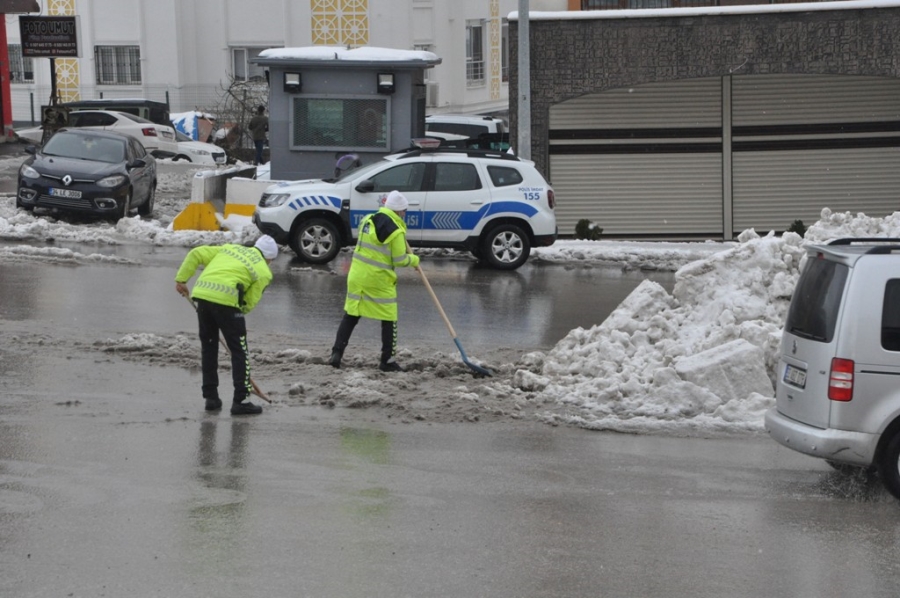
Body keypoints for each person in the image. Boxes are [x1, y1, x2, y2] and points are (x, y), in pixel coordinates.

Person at [175, 235, 278, 415]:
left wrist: (182, 279)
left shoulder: (230, 248)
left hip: (203, 297)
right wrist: (236, 319)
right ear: (269, 258)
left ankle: (211, 398)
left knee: (209, 347)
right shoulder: (263, 270)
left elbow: (196, 253)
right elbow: (250, 300)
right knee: (239, 351)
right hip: (228, 303)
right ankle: (241, 400)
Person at [330, 190, 420, 372]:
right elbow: (399, 259)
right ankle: (387, 360)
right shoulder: (396, 230)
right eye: (403, 211)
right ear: (398, 211)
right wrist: (415, 260)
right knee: (389, 318)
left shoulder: (368, 220)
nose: (404, 214)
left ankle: (336, 354)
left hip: (357, 276)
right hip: (378, 280)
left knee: (352, 315)